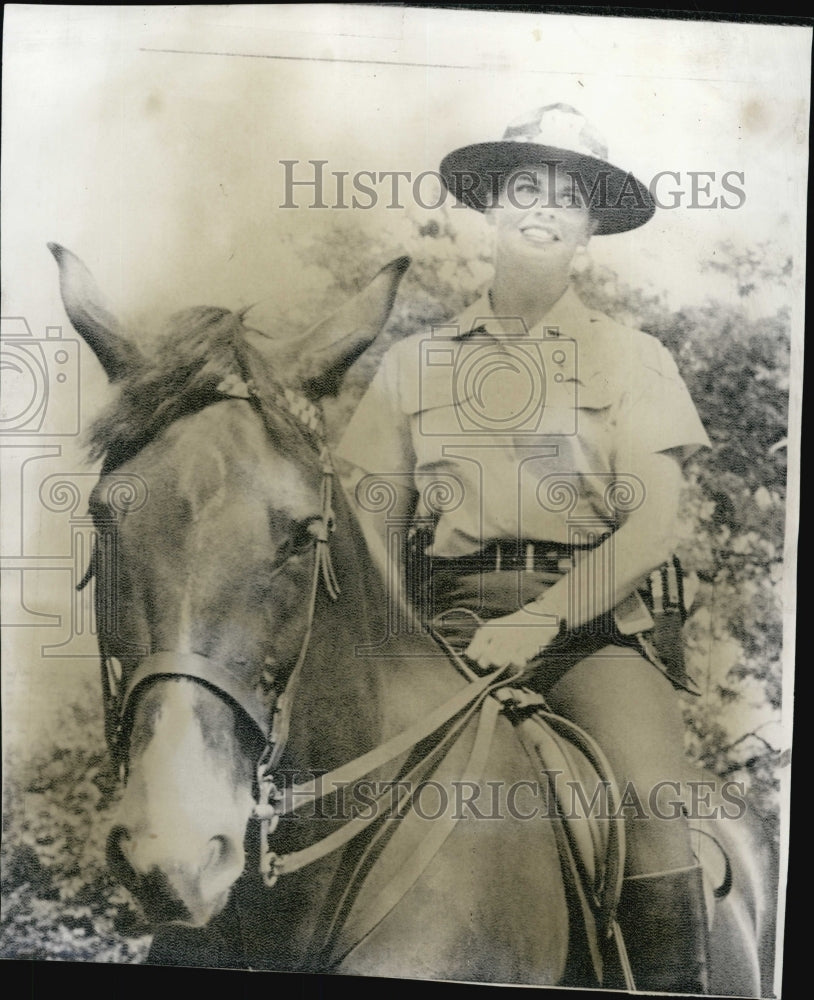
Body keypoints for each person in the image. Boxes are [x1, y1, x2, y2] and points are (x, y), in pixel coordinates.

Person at [335, 103, 712, 994]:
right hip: (437, 630)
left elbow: (655, 524)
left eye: (569, 196)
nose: (544, 207)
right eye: (524, 187)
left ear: (589, 230)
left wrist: (542, 620)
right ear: (493, 209)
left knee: (653, 806)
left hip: (593, 635)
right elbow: (366, 525)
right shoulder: (412, 365)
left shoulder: (634, 358)